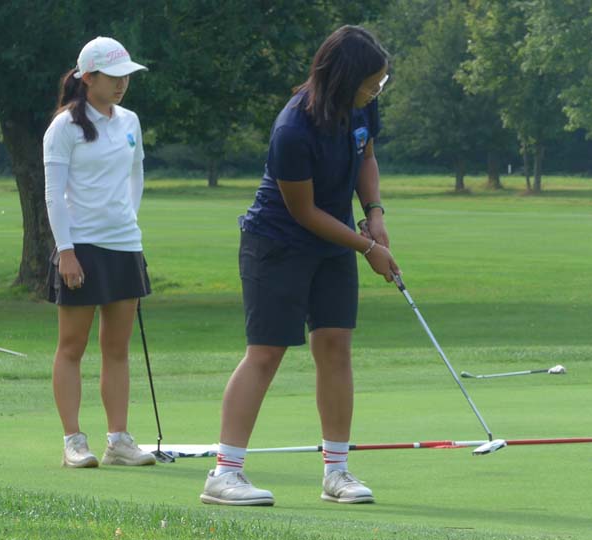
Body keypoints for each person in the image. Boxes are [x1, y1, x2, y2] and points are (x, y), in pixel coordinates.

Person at [199, 25, 398, 507]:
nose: (376, 92)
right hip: (277, 244)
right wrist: (367, 248)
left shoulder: (361, 104)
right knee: (266, 351)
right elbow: (303, 212)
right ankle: (224, 473)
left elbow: (366, 155)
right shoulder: (293, 127)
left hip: (333, 243)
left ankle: (337, 471)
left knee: (335, 346)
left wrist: (374, 213)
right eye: (371, 83)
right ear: (342, 78)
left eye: (379, 84)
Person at [42, 36, 156, 468]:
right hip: (81, 246)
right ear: (88, 78)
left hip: (124, 244)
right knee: (72, 346)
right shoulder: (64, 127)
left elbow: (136, 175)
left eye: (126, 76)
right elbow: (54, 194)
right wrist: (66, 250)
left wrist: (128, 220)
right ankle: (74, 440)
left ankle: (119, 441)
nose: (122, 83)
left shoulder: (129, 120)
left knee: (117, 348)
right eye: (113, 76)